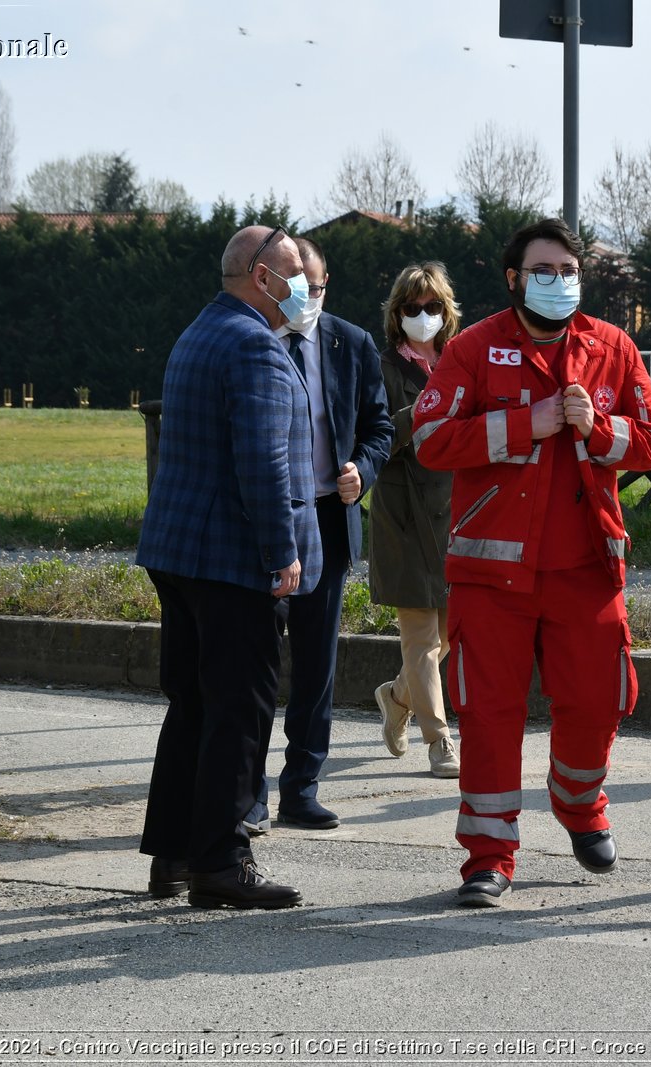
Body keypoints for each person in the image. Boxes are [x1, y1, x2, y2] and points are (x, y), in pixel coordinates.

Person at [413, 218, 651, 907]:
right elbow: (431, 438)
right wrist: (531, 421)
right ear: (513, 279)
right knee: (489, 711)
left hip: (587, 567)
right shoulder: (473, 347)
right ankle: (488, 856)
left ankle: (579, 802)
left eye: (568, 270)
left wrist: (597, 427)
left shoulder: (613, 348)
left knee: (598, 699)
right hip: (490, 575)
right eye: (543, 270)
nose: (558, 282)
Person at [136, 224, 322, 910]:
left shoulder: (199, 332)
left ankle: (175, 855)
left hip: (180, 552)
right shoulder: (257, 349)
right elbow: (263, 466)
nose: (304, 281)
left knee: (192, 707)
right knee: (239, 713)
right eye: (295, 268)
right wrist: (283, 552)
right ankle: (222, 859)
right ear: (261, 277)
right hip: (235, 560)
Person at [245, 236, 393, 832]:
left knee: (316, 664)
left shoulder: (350, 343)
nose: (307, 295)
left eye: (317, 284)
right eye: (295, 283)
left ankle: (301, 786)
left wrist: (365, 466)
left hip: (329, 518)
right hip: (262, 523)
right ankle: (248, 792)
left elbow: (380, 424)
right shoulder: (252, 340)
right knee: (255, 664)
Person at [369, 262, 463, 779]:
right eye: (412, 308)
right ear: (397, 313)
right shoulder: (380, 365)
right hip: (403, 515)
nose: (423, 316)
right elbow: (379, 439)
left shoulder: (461, 360)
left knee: (448, 633)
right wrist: (423, 408)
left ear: (446, 312)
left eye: (432, 307)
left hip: (455, 510)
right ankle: (440, 740)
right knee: (422, 637)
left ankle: (396, 695)